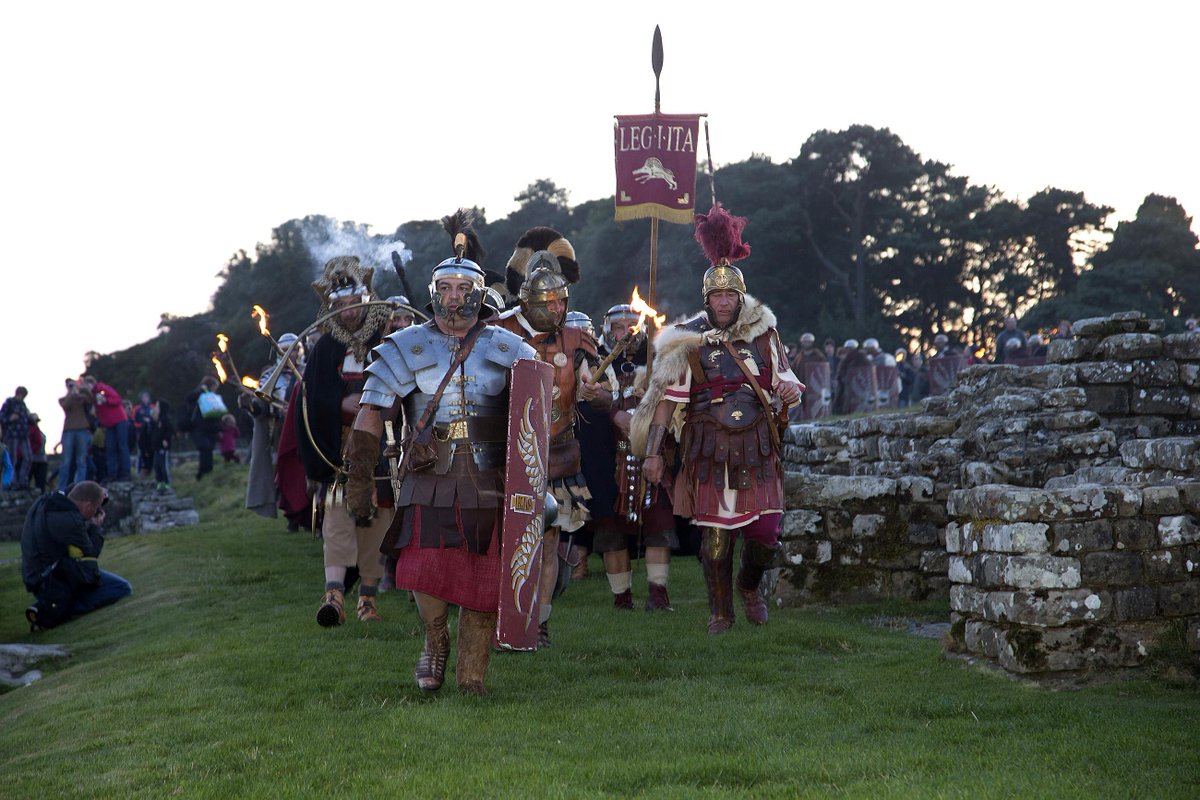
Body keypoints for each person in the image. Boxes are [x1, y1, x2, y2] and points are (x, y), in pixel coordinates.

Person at [345, 209, 536, 695]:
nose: (454, 296)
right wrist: (360, 479)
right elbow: (372, 414)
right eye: (446, 287)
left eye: (463, 288)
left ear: (477, 293)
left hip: (491, 477)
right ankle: (435, 638)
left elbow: (534, 419)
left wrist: (536, 485)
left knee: (484, 574)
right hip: (430, 476)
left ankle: (473, 674)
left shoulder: (513, 348)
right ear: (434, 293)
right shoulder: (403, 346)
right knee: (423, 568)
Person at [632, 204, 803, 635]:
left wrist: (788, 391)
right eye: (716, 296)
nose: (723, 302)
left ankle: (749, 586)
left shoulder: (764, 335)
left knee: (765, 535)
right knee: (716, 537)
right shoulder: (688, 341)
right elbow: (667, 402)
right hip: (709, 446)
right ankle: (720, 613)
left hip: (757, 443)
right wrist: (652, 456)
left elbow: (789, 382)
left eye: (730, 296)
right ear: (706, 299)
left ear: (740, 298)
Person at [491, 225, 600, 646]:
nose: (555, 309)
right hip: (508, 456)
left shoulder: (574, 335)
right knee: (507, 539)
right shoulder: (499, 332)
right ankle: (506, 621)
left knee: (550, 538)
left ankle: (539, 623)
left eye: (560, 301)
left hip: (557, 451)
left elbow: (592, 380)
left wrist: (594, 389)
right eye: (547, 302)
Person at [299, 255, 396, 627]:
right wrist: (340, 402)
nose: (348, 311)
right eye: (339, 305)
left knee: (378, 521)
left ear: (365, 299)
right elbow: (311, 399)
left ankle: (367, 601)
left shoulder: (387, 340)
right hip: (338, 452)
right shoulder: (325, 349)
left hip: (380, 449)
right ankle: (334, 597)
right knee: (337, 520)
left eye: (353, 303)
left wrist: (375, 408)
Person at [588, 303, 678, 611]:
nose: (625, 332)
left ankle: (657, 595)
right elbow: (585, 405)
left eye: (631, 325)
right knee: (610, 530)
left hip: (651, 454)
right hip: (610, 461)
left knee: (659, 526)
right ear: (608, 330)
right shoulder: (597, 364)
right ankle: (621, 598)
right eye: (618, 326)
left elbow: (671, 405)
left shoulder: (658, 363)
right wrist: (613, 414)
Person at [21, 480, 132, 630]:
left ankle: (52, 605)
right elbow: (91, 552)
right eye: (96, 507)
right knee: (122, 587)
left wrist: (98, 492)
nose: (96, 512)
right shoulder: (70, 521)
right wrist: (95, 526)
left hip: (37, 575)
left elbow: (77, 489)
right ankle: (51, 609)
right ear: (87, 506)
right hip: (50, 582)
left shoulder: (49, 501)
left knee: (90, 577)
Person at [243, 332, 302, 522]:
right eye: (285, 350)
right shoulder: (269, 376)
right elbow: (261, 409)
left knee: (304, 471)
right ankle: (291, 514)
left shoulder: (307, 370)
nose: (290, 355)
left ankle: (307, 513)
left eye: (294, 350)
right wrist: (250, 405)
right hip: (279, 430)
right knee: (283, 471)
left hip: (304, 429)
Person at [82, 376, 131, 482]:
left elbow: (118, 399)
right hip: (109, 424)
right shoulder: (91, 396)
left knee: (122, 447)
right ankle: (112, 474)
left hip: (119, 420)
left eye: (87, 385)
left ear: (91, 383)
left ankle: (125, 473)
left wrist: (106, 400)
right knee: (110, 448)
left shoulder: (103, 388)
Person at [184, 376, 223, 480]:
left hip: (209, 428)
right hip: (200, 428)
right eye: (214, 387)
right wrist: (202, 390)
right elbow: (189, 398)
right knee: (205, 449)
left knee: (208, 449)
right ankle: (203, 473)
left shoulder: (211, 397)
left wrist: (219, 429)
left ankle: (207, 473)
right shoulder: (198, 394)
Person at [57, 378, 94, 489]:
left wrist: (81, 389)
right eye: (69, 385)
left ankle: (79, 488)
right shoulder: (63, 399)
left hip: (82, 430)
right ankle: (61, 489)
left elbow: (90, 400)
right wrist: (71, 393)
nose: (71, 387)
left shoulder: (80, 398)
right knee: (66, 462)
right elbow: (65, 406)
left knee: (81, 461)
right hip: (68, 430)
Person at [2, 386, 33, 488]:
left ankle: (22, 480)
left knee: (28, 457)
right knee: (11, 459)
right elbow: (1, 416)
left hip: (23, 434)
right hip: (12, 434)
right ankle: (11, 482)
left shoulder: (23, 405)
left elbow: (26, 419)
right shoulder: (9, 402)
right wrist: (10, 419)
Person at [149, 398, 173, 490]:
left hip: (163, 448)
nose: (155, 408)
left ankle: (167, 482)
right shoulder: (157, 421)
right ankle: (159, 482)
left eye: (157, 406)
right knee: (157, 466)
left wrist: (166, 439)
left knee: (164, 466)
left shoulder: (165, 420)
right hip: (157, 448)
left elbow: (169, 431)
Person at [133, 391, 155, 477]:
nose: (146, 398)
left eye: (147, 397)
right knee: (141, 452)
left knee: (152, 452)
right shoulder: (137, 409)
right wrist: (141, 424)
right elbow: (133, 421)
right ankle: (139, 471)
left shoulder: (153, 407)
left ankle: (152, 470)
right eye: (144, 397)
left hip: (152, 434)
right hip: (141, 433)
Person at [28, 414, 48, 492]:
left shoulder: (39, 432)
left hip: (41, 460)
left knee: (40, 485)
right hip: (33, 460)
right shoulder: (30, 431)